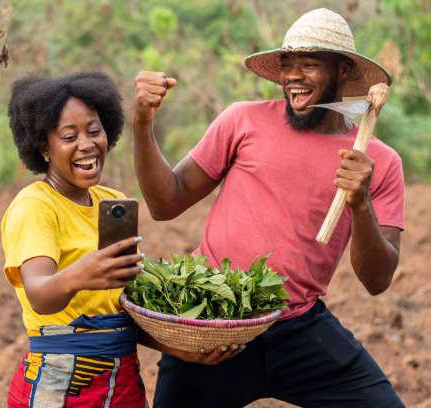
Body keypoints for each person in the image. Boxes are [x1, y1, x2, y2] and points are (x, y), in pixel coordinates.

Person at [133, 8, 405, 408]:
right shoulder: (242, 121)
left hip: (299, 328)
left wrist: (360, 202)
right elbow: (165, 202)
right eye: (287, 65)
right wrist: (142, 123)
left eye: (308, 64)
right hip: (217, 322)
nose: (292, 76)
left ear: (343, 70)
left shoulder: (378, 161)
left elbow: (377, 279)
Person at [2, 72, 147, 407]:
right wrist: (82, 274)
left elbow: (127, 305)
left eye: (94, 131)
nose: (87, 144)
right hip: (61, 382)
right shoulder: (35, 206)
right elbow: (39, 293)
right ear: (44, 148)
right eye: (69, 136)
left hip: (120, 380)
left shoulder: (111, 199)